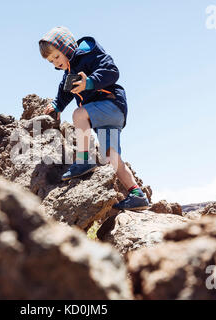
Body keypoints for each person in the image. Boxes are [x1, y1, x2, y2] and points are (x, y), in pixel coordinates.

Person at [38, 26, 149, 210]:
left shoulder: (89, 55)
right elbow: (64, 93)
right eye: (51, 61)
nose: (55, 63)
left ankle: (84, 160)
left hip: (111, 104)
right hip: (105, 116)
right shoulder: (68, 74)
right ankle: (137, 194)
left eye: (57, 57)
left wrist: (89, 82)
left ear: (67, 49)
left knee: (78, 114)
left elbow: (111, 71)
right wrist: (57, 105)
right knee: (111, 157)